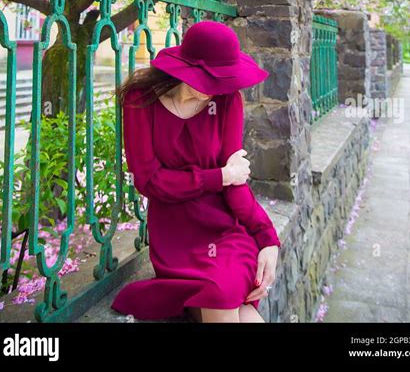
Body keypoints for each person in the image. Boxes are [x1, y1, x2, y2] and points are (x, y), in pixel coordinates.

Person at [110, 19, 281, 323]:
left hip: (225, 231)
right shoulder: (140, 99)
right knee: (223, 296)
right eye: (212, 80)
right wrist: (219, 176)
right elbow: (148, 181)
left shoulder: (227, 100)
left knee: (237, 307)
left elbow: (236, 182)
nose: (219, 88)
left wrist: (267, 238)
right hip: (176, 237)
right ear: (187, 70)